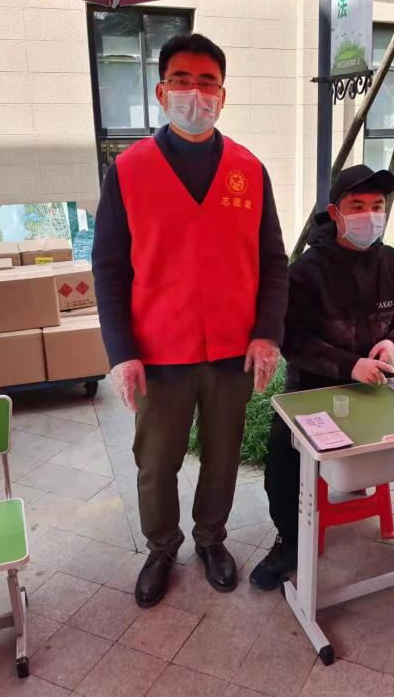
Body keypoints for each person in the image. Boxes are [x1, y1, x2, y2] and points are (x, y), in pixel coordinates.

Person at [92, 33, 288, 608]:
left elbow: (273, 261)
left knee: (223, 456)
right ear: (161, 91)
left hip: (231, 350)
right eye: (182, 80)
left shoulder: (249, 170)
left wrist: (267, 334)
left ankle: (210, 539)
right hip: (158, 353)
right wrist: (121, 352)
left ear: (223, 95)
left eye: (207, 83)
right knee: (156, 462)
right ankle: (161, 547)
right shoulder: (128, 171)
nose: (195, 93)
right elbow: (108, 269)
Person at [249, 165, 394, 591]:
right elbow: (293, 341)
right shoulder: (306, 272)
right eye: (357, 207)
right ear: (335, 213)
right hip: (314, 389)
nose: (369, 216)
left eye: (377, 206)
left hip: (380, 387)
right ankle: (288, 541)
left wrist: (393, 343)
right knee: (281, 452)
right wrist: (347, 365)